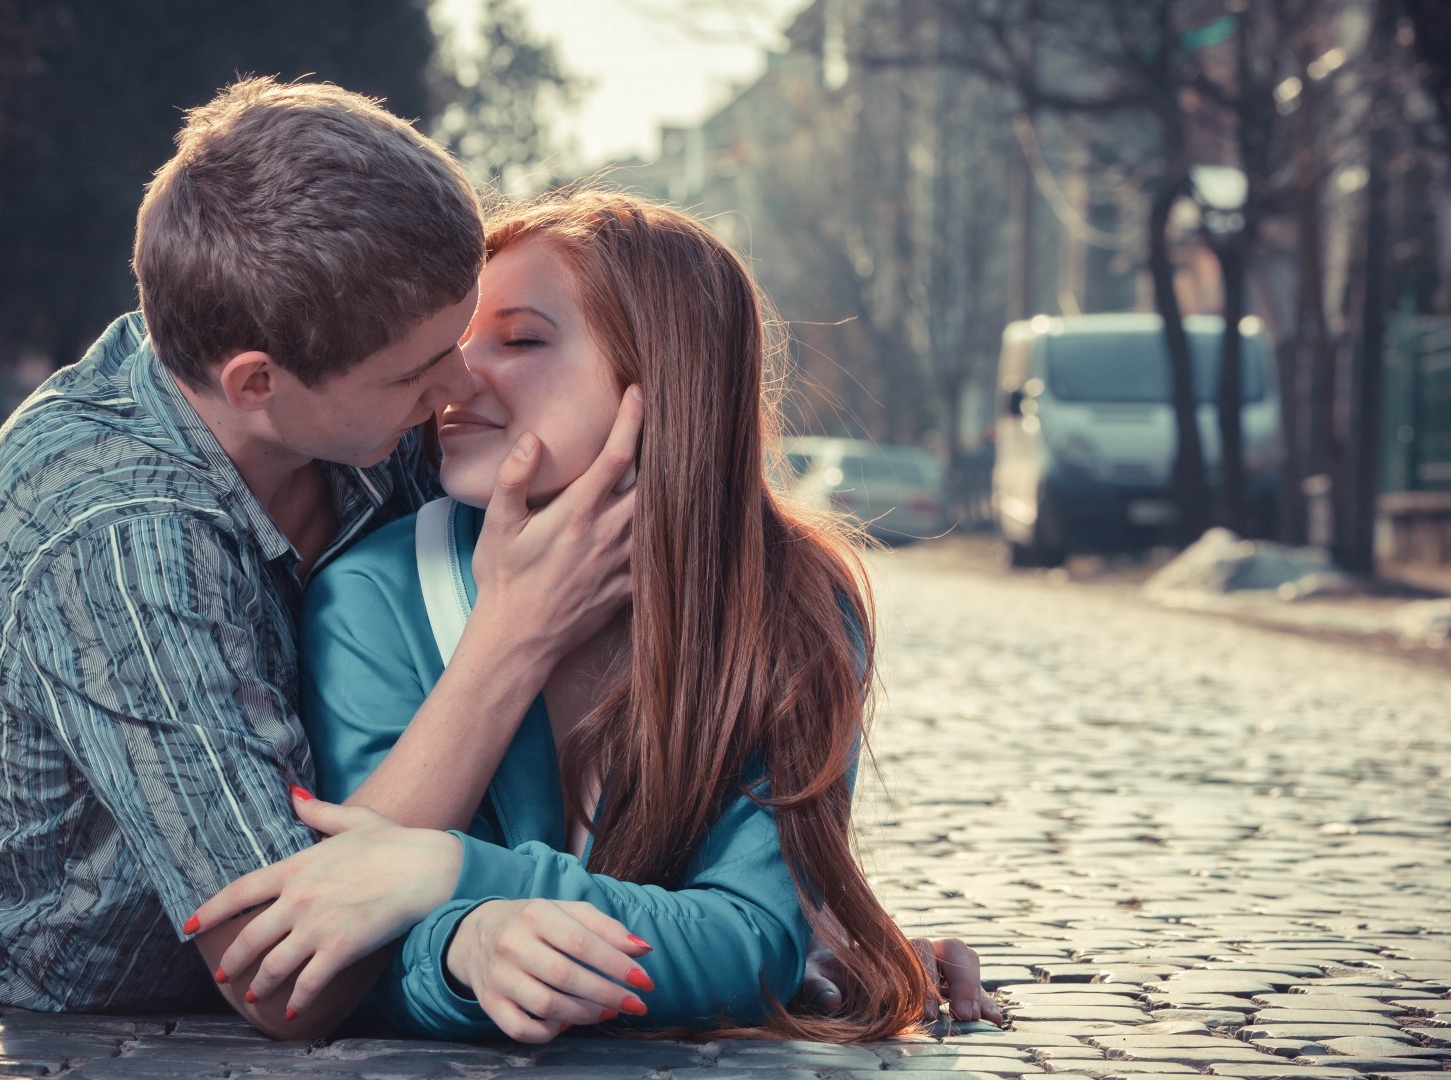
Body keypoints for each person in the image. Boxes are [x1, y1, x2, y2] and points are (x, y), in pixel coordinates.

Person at [0, 77, 637, 1040]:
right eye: (417, 372)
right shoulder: (119, 537)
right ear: (257, 383)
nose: (457, 385)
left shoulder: (344, 370)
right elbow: (278, 973)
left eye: (461, 337)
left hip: (58, 713)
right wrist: (513, 641)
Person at [187, 191, 1006, 1042]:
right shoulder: (375, 592)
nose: (460, 376)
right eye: (461, 338)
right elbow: (351, 927)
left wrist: (451, 871)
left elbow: (754, 937)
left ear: (669, 373)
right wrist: (467, 944)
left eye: (523, 338)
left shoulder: (797, 604)